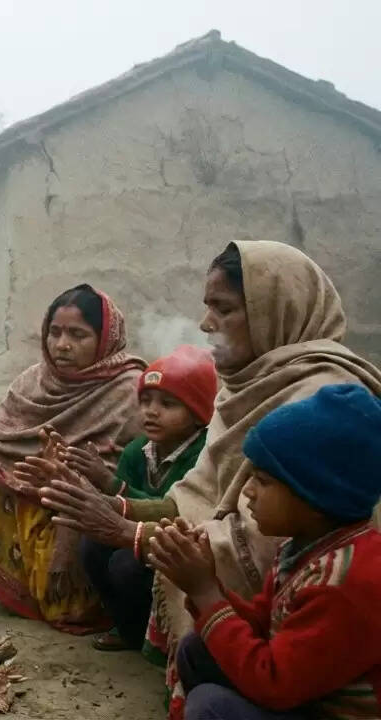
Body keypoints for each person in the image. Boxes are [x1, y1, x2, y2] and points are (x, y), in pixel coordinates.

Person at [38, 241, 381, 718]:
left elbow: (258, 539)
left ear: (273, 311)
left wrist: (130, 532)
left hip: (318, 645)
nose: (205, 325)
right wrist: (117, 508)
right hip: (278, 621)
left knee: (131, 567)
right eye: (206, 308)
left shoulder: (320, 395)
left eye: (223, 309)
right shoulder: (249, 384)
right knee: (115, 555)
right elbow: (200, 497)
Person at [0, 284, 146, 632]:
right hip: (32, 515)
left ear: (106, 338)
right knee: (0, 486)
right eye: (55, 332)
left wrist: (70, 479)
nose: (62, 344)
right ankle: (23, 587)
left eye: (78, 335)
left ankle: (85, 598)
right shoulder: (29, 384)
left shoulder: (130, 392)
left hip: (94, 519)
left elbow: (139, 479)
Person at [149, 384, 381, 720]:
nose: (248, 491)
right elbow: (262, 621)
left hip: (326, 708)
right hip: (299, 691)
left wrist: (206, 592)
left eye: (263, 480)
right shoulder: (304, 546)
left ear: (316, 497)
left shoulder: (345, 580)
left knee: (210, 707)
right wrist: (205, 580)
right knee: (197, 650)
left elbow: (275, 683)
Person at [68, 345, 216, 652]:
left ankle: (155, 634)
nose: (151, 411)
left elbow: (176, 507)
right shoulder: (137, 451)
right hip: (138, 534)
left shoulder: (202, 454)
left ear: (198, 413)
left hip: (181, 541)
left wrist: (111, 484)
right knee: (91, 545)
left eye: (168, 404)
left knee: (127, 564)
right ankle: (126, 625)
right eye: (146, 401)